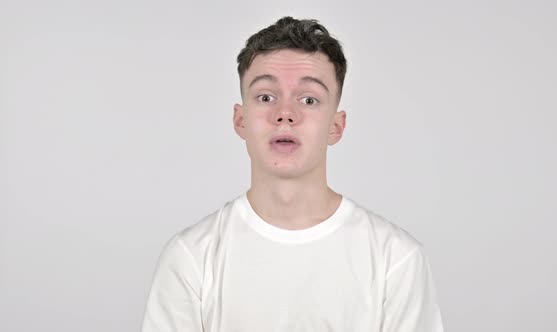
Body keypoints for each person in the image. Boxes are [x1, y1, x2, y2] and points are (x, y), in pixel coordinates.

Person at [140, 16, 444, 332]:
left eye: (309, 99)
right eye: (266, 97)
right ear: (240, 120)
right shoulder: (191, 258)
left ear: (336, 126)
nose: (285, 114)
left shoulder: (395, 260)